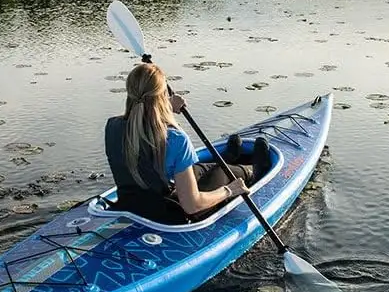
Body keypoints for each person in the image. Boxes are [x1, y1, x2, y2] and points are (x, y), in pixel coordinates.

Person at [104, 62, 272, 224]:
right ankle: (255, 172)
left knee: (196, 168)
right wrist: (230, 190)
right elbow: (192, 206)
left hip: (132, 204)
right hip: (170, 213)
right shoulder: (176, 139)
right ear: (162, 95)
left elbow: (141, 117)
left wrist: (167, 106)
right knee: (224, 171)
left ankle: (229, 156)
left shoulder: (112, 126)